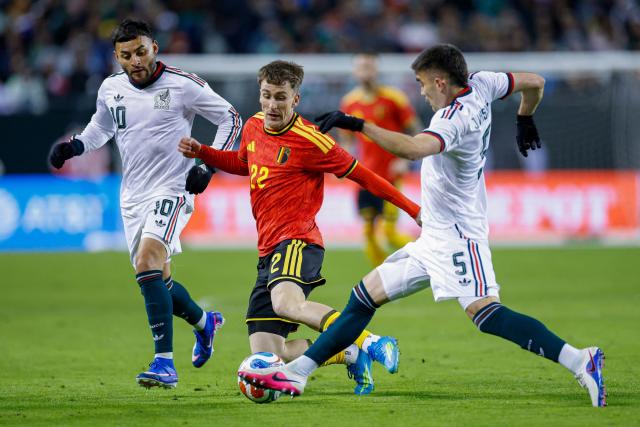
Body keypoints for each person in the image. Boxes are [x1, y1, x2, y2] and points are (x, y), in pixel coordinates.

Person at [238, 44, 606, 407]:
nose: (422, 91)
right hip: (433, 235)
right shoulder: (485, 82)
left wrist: (358, 124)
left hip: (459, 235)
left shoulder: (453, 119)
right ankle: (299, 371)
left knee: (485, 313)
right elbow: (535, 82)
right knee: (363, 297)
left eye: (423, 83)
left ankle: (579, 359)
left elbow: (413, 149)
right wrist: (525, 118)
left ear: (441, 81)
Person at [178, 60, 421, 395]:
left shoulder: (312, 140)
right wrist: (204, 152)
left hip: (297, 241)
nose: (273, 104)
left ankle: (372, 342)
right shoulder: (254, 125)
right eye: (267, 96)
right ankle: (348, 353)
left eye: (281, 97)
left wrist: (413, 209)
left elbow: (364, 176)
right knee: (269, 354)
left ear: (296, 99)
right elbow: (244, 163)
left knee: (286, 304)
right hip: (267, 250)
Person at [48, 19, 243, 389]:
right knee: (158, 278)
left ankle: (164, 363)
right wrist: (74, 145)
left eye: (141, 51)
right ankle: (205, 322)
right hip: (132, 195)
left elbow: (230, 118)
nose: (135, 60)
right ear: (116, 57)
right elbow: (101, 128)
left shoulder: (183, 85)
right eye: (126, 55)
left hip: (173, 188)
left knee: (146, 262)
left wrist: (208, 164)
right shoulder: (110, 88)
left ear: (154, 47)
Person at [340, 53, 421, 266]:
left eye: (369, 66)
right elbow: (347, 141)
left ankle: (429, 258)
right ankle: (383, 276)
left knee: (389, 231)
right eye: (361, 67)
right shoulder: (349, 103)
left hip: (392, 175)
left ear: (376, 70)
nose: (365, 71)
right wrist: (340, 164)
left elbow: (416, 130)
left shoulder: (394, 98)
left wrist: (405, 159)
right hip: (365, 176)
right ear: (355, 72)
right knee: (367, 233)